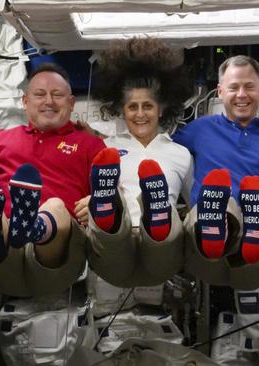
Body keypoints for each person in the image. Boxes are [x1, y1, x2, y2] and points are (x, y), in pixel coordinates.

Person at [0, 63, 106, 297]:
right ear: (25, 102)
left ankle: (34, 227)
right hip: (2, 251)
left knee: (55, 206)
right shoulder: (1, 140)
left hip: (57, 255)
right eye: (39, 94)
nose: (48, 101)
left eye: (57, 95)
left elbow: (113, 193)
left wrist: (95, 200)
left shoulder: (90, 144)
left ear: (71, 103)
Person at [172, 56, 259, 290]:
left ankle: (253, 227)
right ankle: (218, 221)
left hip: (256, 250)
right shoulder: (199, 129)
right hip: (204, 244)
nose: (241, 95)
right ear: (220, 92)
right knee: (219, 202)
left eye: (249, 86)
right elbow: (157, 148)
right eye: (233, 87)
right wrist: (99, 138)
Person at [82, 37, 194, 287]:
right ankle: (108, 209)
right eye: (132, 106)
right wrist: (89, 201)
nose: (140, 114)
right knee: (111, 231)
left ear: (161, 109)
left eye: (148, 106)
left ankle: (156, 212)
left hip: (161, 248)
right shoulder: (106, 148)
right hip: (116, 241)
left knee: (164, 232)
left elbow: (192, 202)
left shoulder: (180, 153)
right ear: (122, 110)